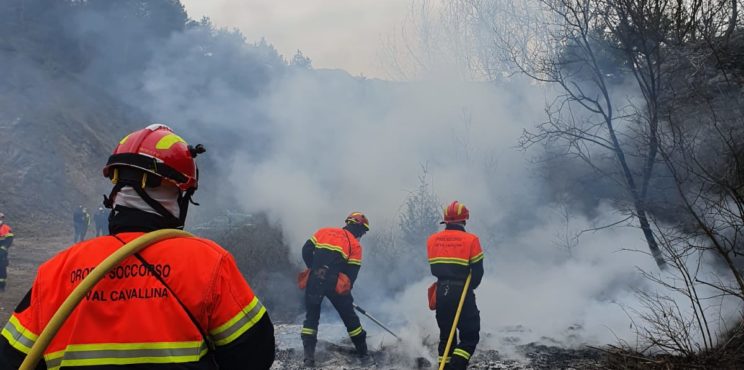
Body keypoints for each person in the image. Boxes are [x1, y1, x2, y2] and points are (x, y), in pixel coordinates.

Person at [0, 124, 275, 369]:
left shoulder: (55, 272)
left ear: (116, 191)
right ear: (178, 195)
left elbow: (11, 359)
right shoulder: (210, 263)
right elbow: (255, 355)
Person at [300, 212, 370, 367]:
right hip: (334, 282)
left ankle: (308, 360)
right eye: (363, 231)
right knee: (350, 318)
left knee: (311, 318)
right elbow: (351, 274)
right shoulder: (355, 245)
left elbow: (306, 250)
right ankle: (364, 355)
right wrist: (345, 292)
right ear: (358, 227)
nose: (362, 235)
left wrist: (314, 268)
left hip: (314, 279)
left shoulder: (323, 231)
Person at [427, 201, 484, 370]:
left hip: (441, 290)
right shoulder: (471, 240)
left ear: (446, 221)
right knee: (470, 335)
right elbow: (478, 272)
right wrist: (469, 289)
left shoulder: (432, 240)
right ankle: (456, 367)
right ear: (464, 220)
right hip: (462, 290)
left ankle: (443, 367)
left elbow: (434, 267)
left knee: (446, 336)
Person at [0, 213, 14, 292]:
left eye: (1, 219)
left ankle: (1, 286)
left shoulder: (6, 228)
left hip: (2, 253)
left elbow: (9, 239)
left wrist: (3, 249)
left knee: (1, 268)